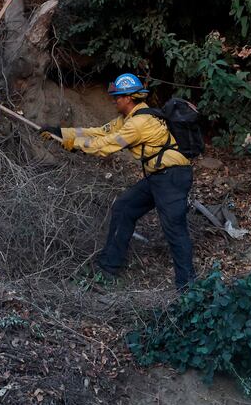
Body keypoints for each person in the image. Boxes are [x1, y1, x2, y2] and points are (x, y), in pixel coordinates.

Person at [40, 73, 196, 288]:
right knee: (124, 208)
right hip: (158, 177)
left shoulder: (139, 123)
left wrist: (76, 145)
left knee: (175, 230)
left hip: (172, 178)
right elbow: (98, 131)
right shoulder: (130, 118)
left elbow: (107, 144)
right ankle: (108, 268)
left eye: (118, 97)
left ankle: (188, 289)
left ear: (129, 98)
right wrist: (62, 133)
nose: (114, 101)